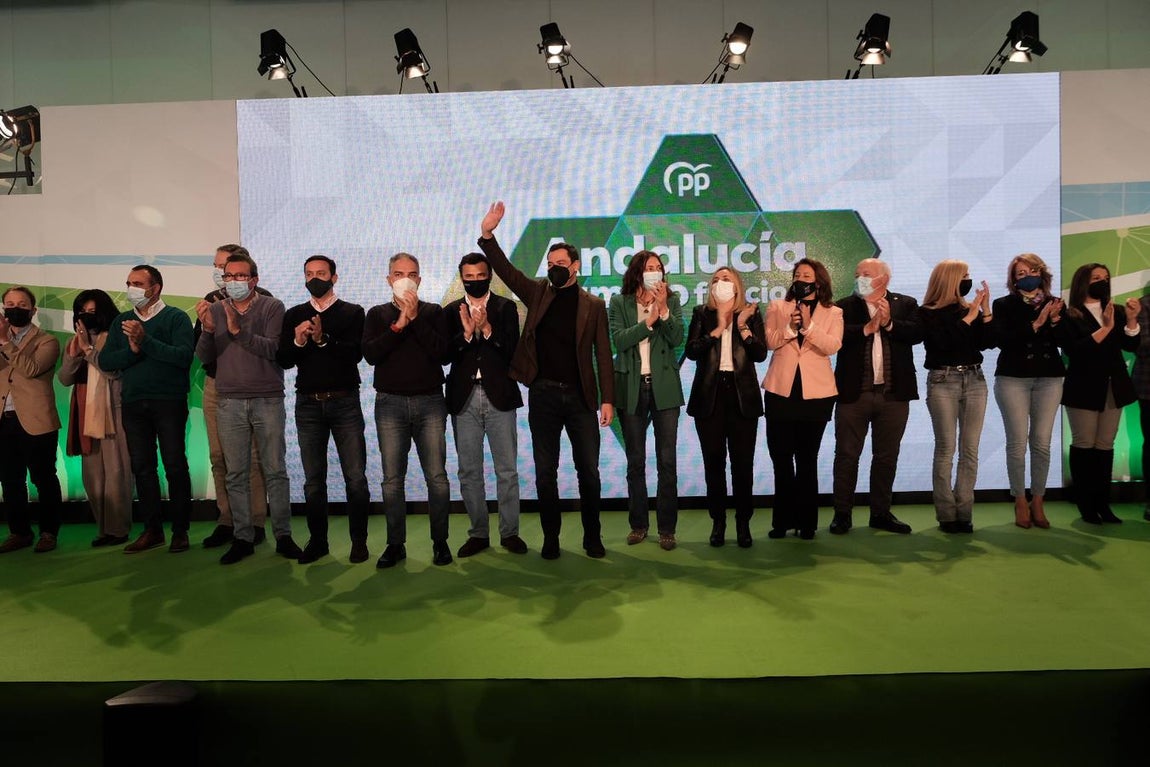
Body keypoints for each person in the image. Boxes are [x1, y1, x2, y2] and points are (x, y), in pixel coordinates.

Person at [478, 201, 615, 560]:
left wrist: (607, 399)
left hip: (582, 399)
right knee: (544, 474)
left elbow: (603, 354)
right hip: (544, 397)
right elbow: (506, 272)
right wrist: (488, 235)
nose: (554, 270)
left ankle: (592, 537)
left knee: (589, 472)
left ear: (576, 267)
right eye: (550, 265)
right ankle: (551, 538)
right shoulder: (538, 293)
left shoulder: (594, 305)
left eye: (560, 265)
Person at [196, 251, 302, 564]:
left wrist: (238, 331)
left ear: (253, 280)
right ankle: (242, 537)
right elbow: (204, 356)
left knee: (275, 470)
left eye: (240, 276)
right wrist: (206, 329)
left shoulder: (272, 306)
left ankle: (283, 535)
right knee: (235, 474)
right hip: (228, 400)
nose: (233, 282)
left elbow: (272, 349)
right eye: (228, 276)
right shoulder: (215, 309)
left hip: (267, 397)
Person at [276, 255, 371, 564]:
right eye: (309, 273)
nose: (314, 278)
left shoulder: (353, 313)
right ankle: (319, 542)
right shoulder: (294, 314)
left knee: (355, 478)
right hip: (307, 404)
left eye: (321, 273)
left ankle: (359, 541)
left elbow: (356, 354)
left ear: (334, 277)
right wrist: (299, 340)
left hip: (344, 401)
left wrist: (322, 339)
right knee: (313, 480)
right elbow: (285, 359)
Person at [362, 253, 453, 569]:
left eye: (411, 274)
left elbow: (443, 353)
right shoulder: (376, 314)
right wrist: (399, 325)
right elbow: (371, 355)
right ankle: (395, 544)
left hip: (430, 402)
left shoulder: (434, 312)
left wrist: (414, 320)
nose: (405, 278)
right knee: (392, 480)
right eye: (398, 273)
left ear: (419, 280)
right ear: (389, 279)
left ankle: (440, 542)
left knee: (437, 478)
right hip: (389, 404)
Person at [99, 265, 195, 553]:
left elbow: (182, 357)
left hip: (168, 401)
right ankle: (152, 529)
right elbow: (106, 361)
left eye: (138, 283)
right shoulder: (121, 322)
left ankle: (180, 530)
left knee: (175, 465)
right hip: (132, 402)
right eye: (129, 283)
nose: (131, 288)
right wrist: (133, 350)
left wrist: (145, 340)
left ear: (155, 288)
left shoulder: (176, 317)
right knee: (142, 467)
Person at [831, 258, 922, 536]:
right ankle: (842, 514)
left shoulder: (905, 303)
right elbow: (836, 337)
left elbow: (918, 333)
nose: (860, 278)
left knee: (886, 456)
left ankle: (880, 513)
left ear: (883, 279)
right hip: (853, 394)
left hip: (894, 395)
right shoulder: (843, 306)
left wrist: (890, 324)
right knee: (847, 455)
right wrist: (867, 328)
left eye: (866, 274)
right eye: (857, 273)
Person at [444, 252, 527, 558]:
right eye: (470, 277)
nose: (475, 281)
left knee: (506, 471)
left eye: (481, 276)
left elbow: (513, 353)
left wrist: (488, 329)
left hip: (500, 397)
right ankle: (478, 533)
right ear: (461, 277)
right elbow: (443, 354)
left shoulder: (506, 308)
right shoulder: (452, 311)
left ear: (489, 275)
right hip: (464, 399)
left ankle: (510, 533)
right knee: (469, 471)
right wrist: (466, 334)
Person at [684, 267, 766, 548]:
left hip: (742, 395)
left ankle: (743, 524)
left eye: (726, 279)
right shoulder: (701, 313)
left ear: (737, 285)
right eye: (716, 280)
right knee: (714, 464)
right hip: (711, 395)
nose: (721, 283)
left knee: (743, 465)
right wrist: (718, 329)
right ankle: (718, 523)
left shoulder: (752, 313)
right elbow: (692, 351)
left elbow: (759, 353)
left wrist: (741, 325)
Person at [195, 244, 271, 549]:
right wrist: (206, 327)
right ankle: (227, 519)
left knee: (251, 457)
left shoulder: (264, 301)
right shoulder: (209, 302)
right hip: (216, 386)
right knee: (218, 457)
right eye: (218, 268)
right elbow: (200, 350)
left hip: (249, 388)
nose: (222, 274)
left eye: (226, 267)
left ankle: (254, 520)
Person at [763, 258, 843, 540]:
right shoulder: (777, 307)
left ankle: (807, 522)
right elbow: (770, 342)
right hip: (780, 393)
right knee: (781, 460)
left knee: (807, 459)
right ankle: (782, 521)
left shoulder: (834, 312)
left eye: (806, 275)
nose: (801, 278)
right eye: (797, 274)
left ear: (818, 282)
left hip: (817, 396)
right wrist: (790, 327)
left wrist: (808, 327)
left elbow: (833, 346)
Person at [1061, 263, 1140, 525]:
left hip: (1113, 387)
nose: (1102, 282)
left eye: (1105, 278)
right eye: (1096, 278)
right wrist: (1104, 328)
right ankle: (1086, 506)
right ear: (1083, 282)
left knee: (1106, 446)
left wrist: (1130, 320)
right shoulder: (1069, 314)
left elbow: (1130, 345)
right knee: (1084, 444)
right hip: (1083, 387)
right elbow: (1075, 350)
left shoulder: (1115, 311)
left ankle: (1103, 504)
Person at [919, 260, 994, 534]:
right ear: (950, 280)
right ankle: (946, 514)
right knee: (946, 448)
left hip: (975, 379)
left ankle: (965, 511)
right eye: (964, 276)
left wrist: (985, 313)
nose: (968, 280)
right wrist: (968, 319)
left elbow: (985, 343)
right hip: (943, 380)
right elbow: (940, 344)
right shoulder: (927, 312)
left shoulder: (969, 309)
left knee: (970, 450)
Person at [991, 254, 1065, 529]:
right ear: (1013, 280)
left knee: (1042, 442)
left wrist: (1055, 321)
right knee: (1017, 442)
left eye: (1030, 271)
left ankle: (1039, 499)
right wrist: (1036, 323)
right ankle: (1019, 499)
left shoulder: (1055, 303)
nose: (1026, 276)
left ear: (1041, 273)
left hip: (1049, 378)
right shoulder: (1003, 304)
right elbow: (1002, 340)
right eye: (1019, 273)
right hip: (1014, 378)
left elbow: (1066, 341)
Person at [57, 289, 133, 546]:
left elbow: (113, 372)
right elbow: (65, 378)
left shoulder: (116, 337)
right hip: (85, 414)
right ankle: (103, 529)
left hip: (113, 412)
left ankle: (119, 529)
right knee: (92, 477)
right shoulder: (75, 341)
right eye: (82, 312)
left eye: (92, 312)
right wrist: (75, 352)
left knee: (116, 472)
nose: (87, 316)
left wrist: (90, 349)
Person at [0, 287, 62, 554]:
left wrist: (5, 342)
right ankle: (19, 532)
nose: (15, 308)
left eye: (22, 304)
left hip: (36, 420)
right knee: (10, 479)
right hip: (4, 419)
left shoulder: (47, 341)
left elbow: (31, 369)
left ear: (33, 310)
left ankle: (49, 532)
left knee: (43, 477)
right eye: (10, 304)